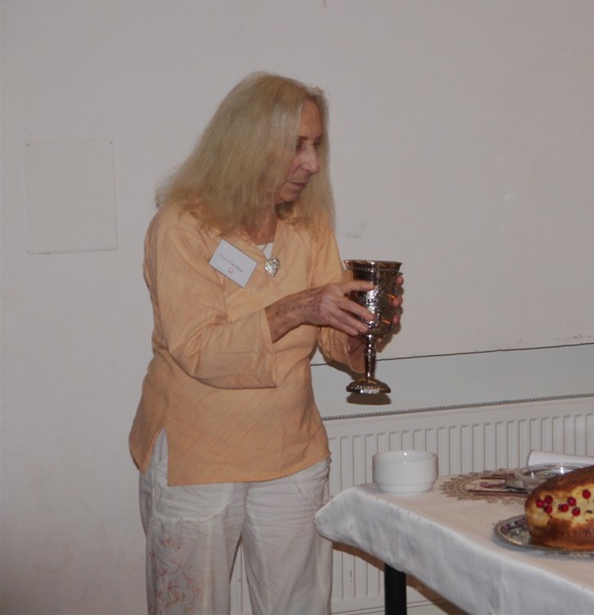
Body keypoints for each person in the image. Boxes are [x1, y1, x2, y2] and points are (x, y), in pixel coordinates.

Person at [129, 72, 402, 614]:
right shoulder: (183, 226)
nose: (312, 163)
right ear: (248, 143)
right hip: (198, 456)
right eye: (296, 145)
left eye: (316, 144)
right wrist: (299, 306)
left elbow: (332, 338)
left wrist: (367, 331)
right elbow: (199, 349)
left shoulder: (307, 226)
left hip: (291, 451)